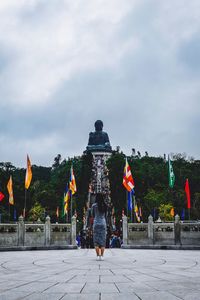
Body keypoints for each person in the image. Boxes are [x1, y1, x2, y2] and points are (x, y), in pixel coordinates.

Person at [91, 193, 107, 260]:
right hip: (103, 223)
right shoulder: (105, 205)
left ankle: (98, 256)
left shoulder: (94, 206)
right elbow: (106, 215)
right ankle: (102, 255)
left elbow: (92, 214)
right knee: (103, 240)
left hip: (96, 223)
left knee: (96, 241)